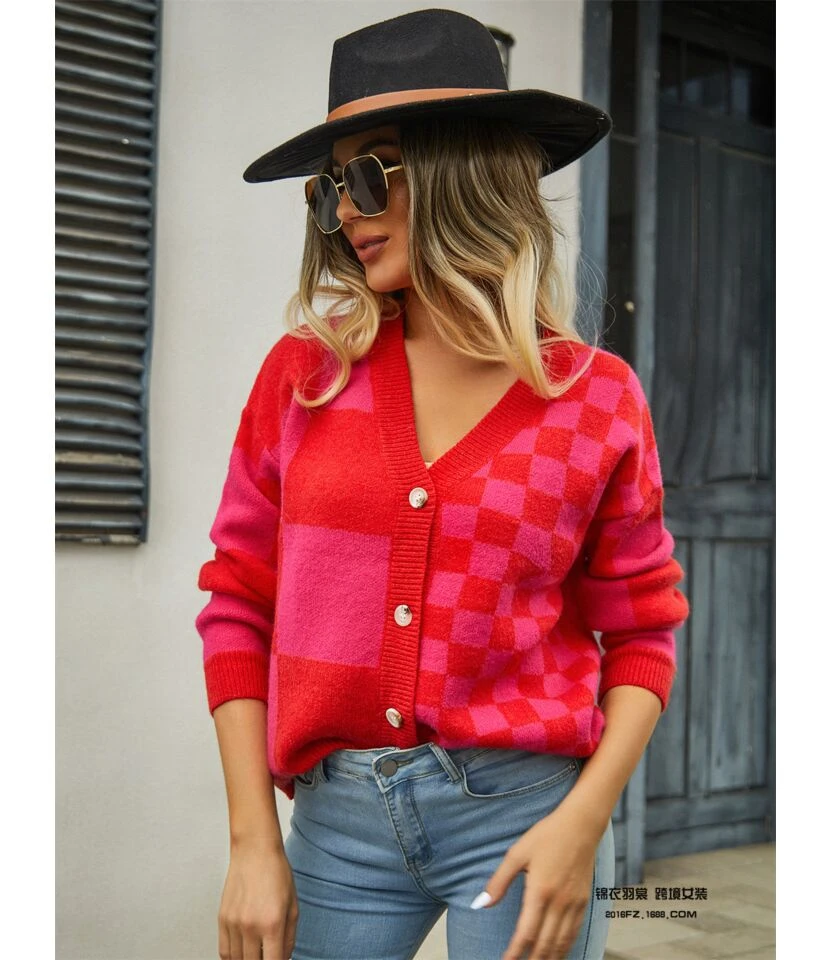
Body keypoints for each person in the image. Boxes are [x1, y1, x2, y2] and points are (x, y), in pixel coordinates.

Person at [195, 9, 690, 960]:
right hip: (337, 822)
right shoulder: (305, 379)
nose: (346, 212)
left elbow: (641, 633)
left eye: (370, 175)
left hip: (528, 815)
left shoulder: (597, 400)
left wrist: (585, 825)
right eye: (331, 187)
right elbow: (237, 604)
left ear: (465, 170)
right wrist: (253, 843)